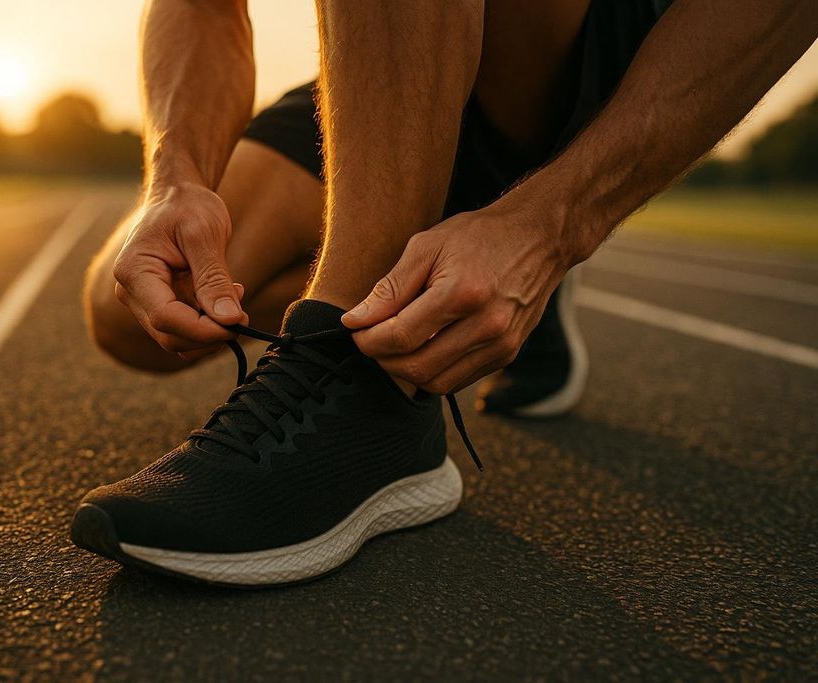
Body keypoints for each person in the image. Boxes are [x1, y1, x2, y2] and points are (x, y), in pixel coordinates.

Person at [70, 0, 817, 586]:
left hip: (586, 48)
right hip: (383, 55)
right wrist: (177, 177)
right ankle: (447, 295)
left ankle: (369, 396)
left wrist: (552, 228)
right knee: (136, 309)